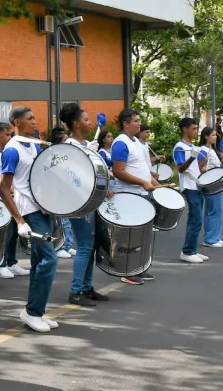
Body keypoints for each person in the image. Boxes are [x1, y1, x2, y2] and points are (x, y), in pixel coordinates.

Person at [0, 106, 59, 333]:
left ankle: (37, 311)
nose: (35, 122)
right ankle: (33, 312)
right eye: (29, 118)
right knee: (49, 260)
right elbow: (5, 189)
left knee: (39, 262)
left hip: (43, 207)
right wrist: (19, 221)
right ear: (16, 122)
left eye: (34, 118)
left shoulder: (33, 145)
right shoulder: (12, 151)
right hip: (29, 211)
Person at [59, 103, 111, 305]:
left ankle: (86, 288)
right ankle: (76, 291)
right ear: (76, 123)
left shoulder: (83, 145)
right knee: (84, 246)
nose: (90, 123)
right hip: (78, 203)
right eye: (86, 120)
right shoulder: (71, 147)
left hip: (89, 201)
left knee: (90, 246)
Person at [111, 108, 160, 285]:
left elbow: (142, 168)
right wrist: (142, 182)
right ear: (126, 123)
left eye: (139, 121)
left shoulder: (135, 143)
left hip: (142, 194)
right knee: (129, 236)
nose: (140, 123)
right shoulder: (120, 144)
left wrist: (155, 184)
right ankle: (127, 271)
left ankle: (138, 268)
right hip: (130, 196)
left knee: (141, 236)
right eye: (136, 121)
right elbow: (118, 171)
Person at [0, 123, 30, 280]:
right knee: (4, 235)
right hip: (0, 201)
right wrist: (4, 187)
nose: (11, 137)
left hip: (14, 199)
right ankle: (0, 266)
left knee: (14, 233)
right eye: (8, 135)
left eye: (11, 134)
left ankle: (11, 262)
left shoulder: (11, 152)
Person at [173, 118, 208, 264]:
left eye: (196, 128)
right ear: (184, 129)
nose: (196, 131)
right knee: (196, 219)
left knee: (195, 220)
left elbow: (197, 166)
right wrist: (192, 157)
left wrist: (204, 157)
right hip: (188, 186)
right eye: (193, 128)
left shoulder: (192, 146)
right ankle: (187, 252)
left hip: (197, 185)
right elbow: (180, 168)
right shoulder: (180, 147)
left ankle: (192, 249)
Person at [47, 127, 75, 259]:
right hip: (56, 193)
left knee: (67, 221)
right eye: (65, 140)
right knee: (60, 222)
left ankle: (67, 245)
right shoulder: (52, 154)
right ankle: (59, 247)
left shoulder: (65, 153)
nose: (67, 142)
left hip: (65, 191)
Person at [199, 127, 223, 249]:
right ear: (206, 136)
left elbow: (217, 165)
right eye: (213, 135)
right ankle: (209, 239)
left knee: (218, 210)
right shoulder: (203, 150)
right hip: (210, 183)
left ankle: (215, 236)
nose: (215, 137)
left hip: (216, 183)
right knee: (212, 210)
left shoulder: (211, 150)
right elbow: (199, 167)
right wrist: (209, 172)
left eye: (216, 135)